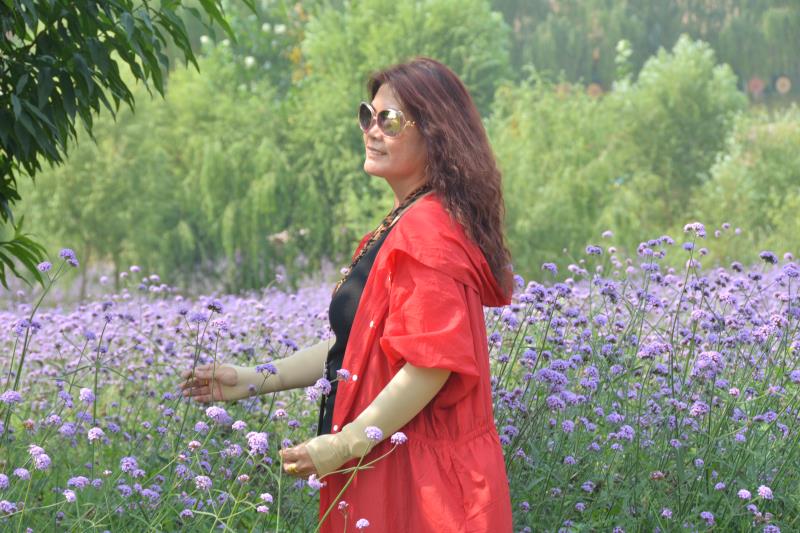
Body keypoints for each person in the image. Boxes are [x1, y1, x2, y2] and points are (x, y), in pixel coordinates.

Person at [180, 56, 514, 532]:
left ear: (436, 134)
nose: (371, 131)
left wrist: (345, 444)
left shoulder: (429, 231)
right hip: (390, 463)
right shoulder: (401, 224)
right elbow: (359, 348)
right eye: (367, 115)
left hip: (424, 487)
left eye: (389, 120)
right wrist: (254, 379)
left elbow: (430, 365)